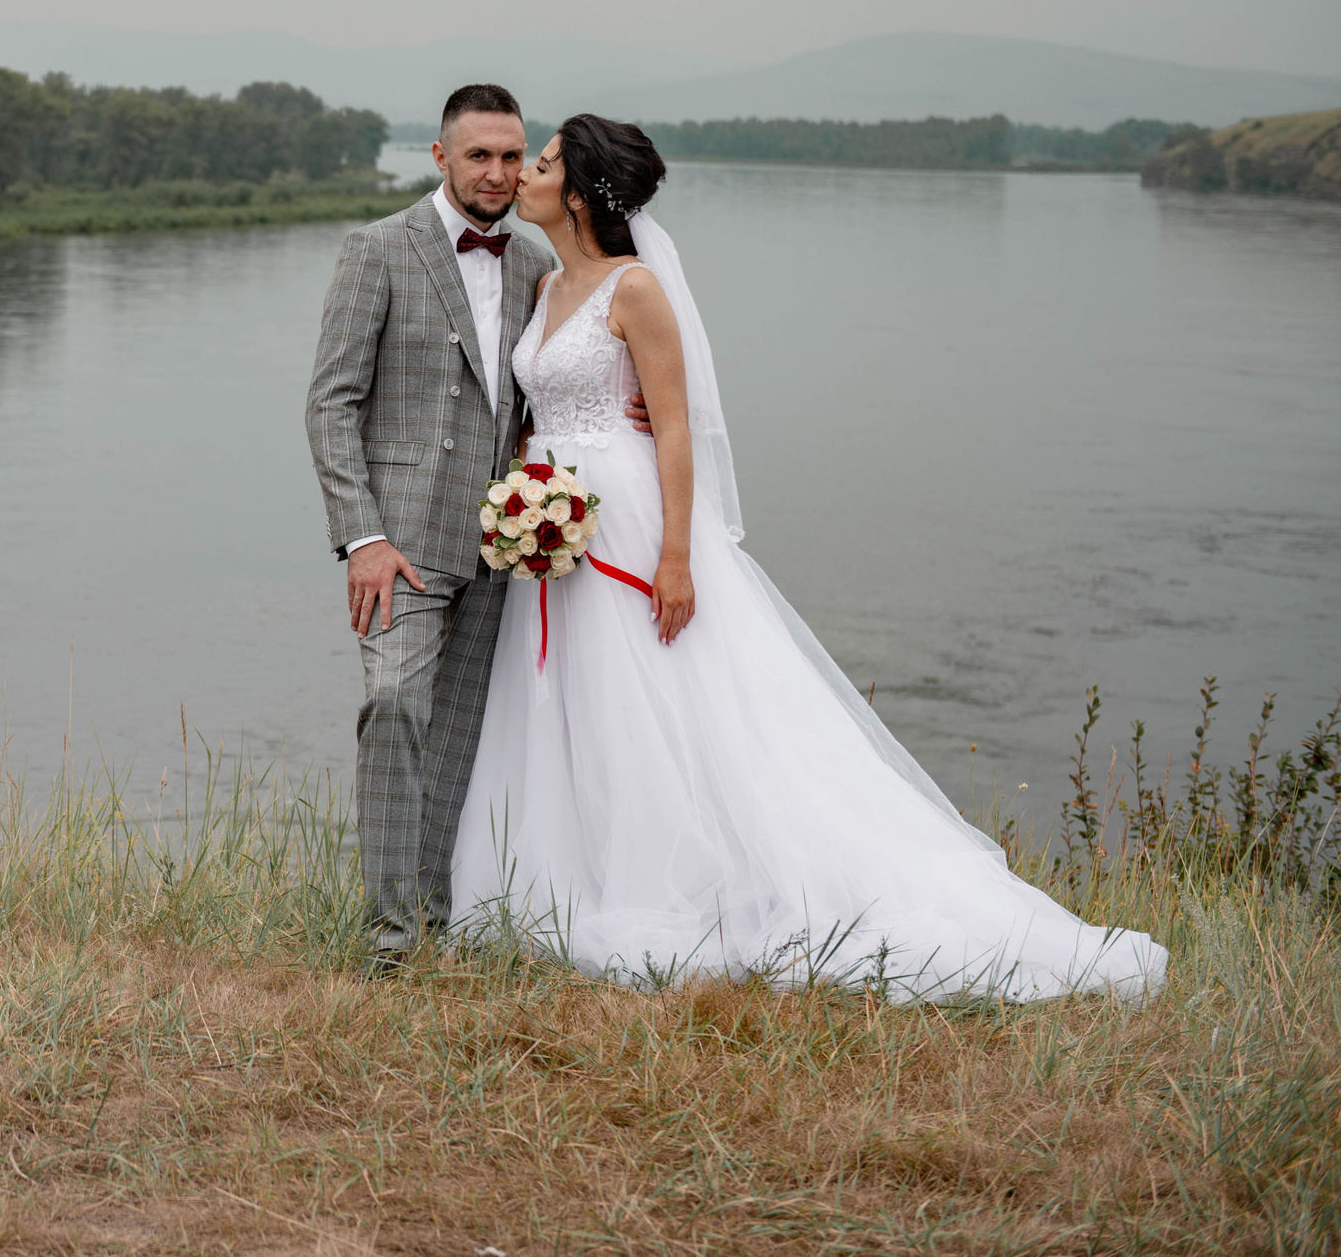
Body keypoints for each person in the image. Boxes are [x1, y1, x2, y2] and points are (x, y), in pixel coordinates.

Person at [445, 114, 1166, 1001]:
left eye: (542, 163)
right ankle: (571, 879)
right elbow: (540, 400)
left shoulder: (635, 290)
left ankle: (692, 883)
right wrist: (527, 491)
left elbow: (674, 429)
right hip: (554, 519)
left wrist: (677, 557)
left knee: (659, 694)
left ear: (584, 192)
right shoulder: (548, 281)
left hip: (626, 521)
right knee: (576, 696)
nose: (521, 175)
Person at [305, 84, 556, 966]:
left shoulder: (533, 263)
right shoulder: (378, 247)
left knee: (458, 734)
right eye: (479, 154)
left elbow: (546, 388)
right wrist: (362, 536)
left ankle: (434, 924)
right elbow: (331, 402)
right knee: (393, 704)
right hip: (401, 545)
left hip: (501, 540)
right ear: (440, 155)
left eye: (511, 155)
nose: (497, 172)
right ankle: (384, 939)